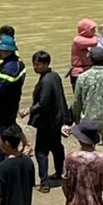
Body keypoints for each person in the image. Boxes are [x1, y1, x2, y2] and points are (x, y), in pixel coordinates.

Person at [71, 47, 103, 176]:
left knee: (88, 147)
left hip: (88, 118)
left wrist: (76, 116)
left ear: (90, 59)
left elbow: (77, 100)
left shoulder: (82, 77)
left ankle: (90, 173)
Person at [27, 51, 68, 190]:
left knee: (41, 152)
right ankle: (61, 173)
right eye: (34, 64)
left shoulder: (45, 81)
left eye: (37, 64)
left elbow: (43, 103)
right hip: (56, 120)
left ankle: (44, 183)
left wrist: (29, 110)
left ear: (45, 64)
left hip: (47, 122)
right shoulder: (54, 76)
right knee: (57, 147)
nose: (35, 67)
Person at [0, 34, 27, 163]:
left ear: (6, 51)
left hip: (2, 107)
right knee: (8, 131)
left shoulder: (8, 68)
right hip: (12, 105)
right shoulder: (18, 64)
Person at [68, 18, 98, 90]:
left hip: (86, 71)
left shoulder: (87, 38)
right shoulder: (78, 40)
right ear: (86, 30)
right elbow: (95, 42)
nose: (94, 31)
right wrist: (96, 36)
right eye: (92, 29)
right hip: (79, 73)